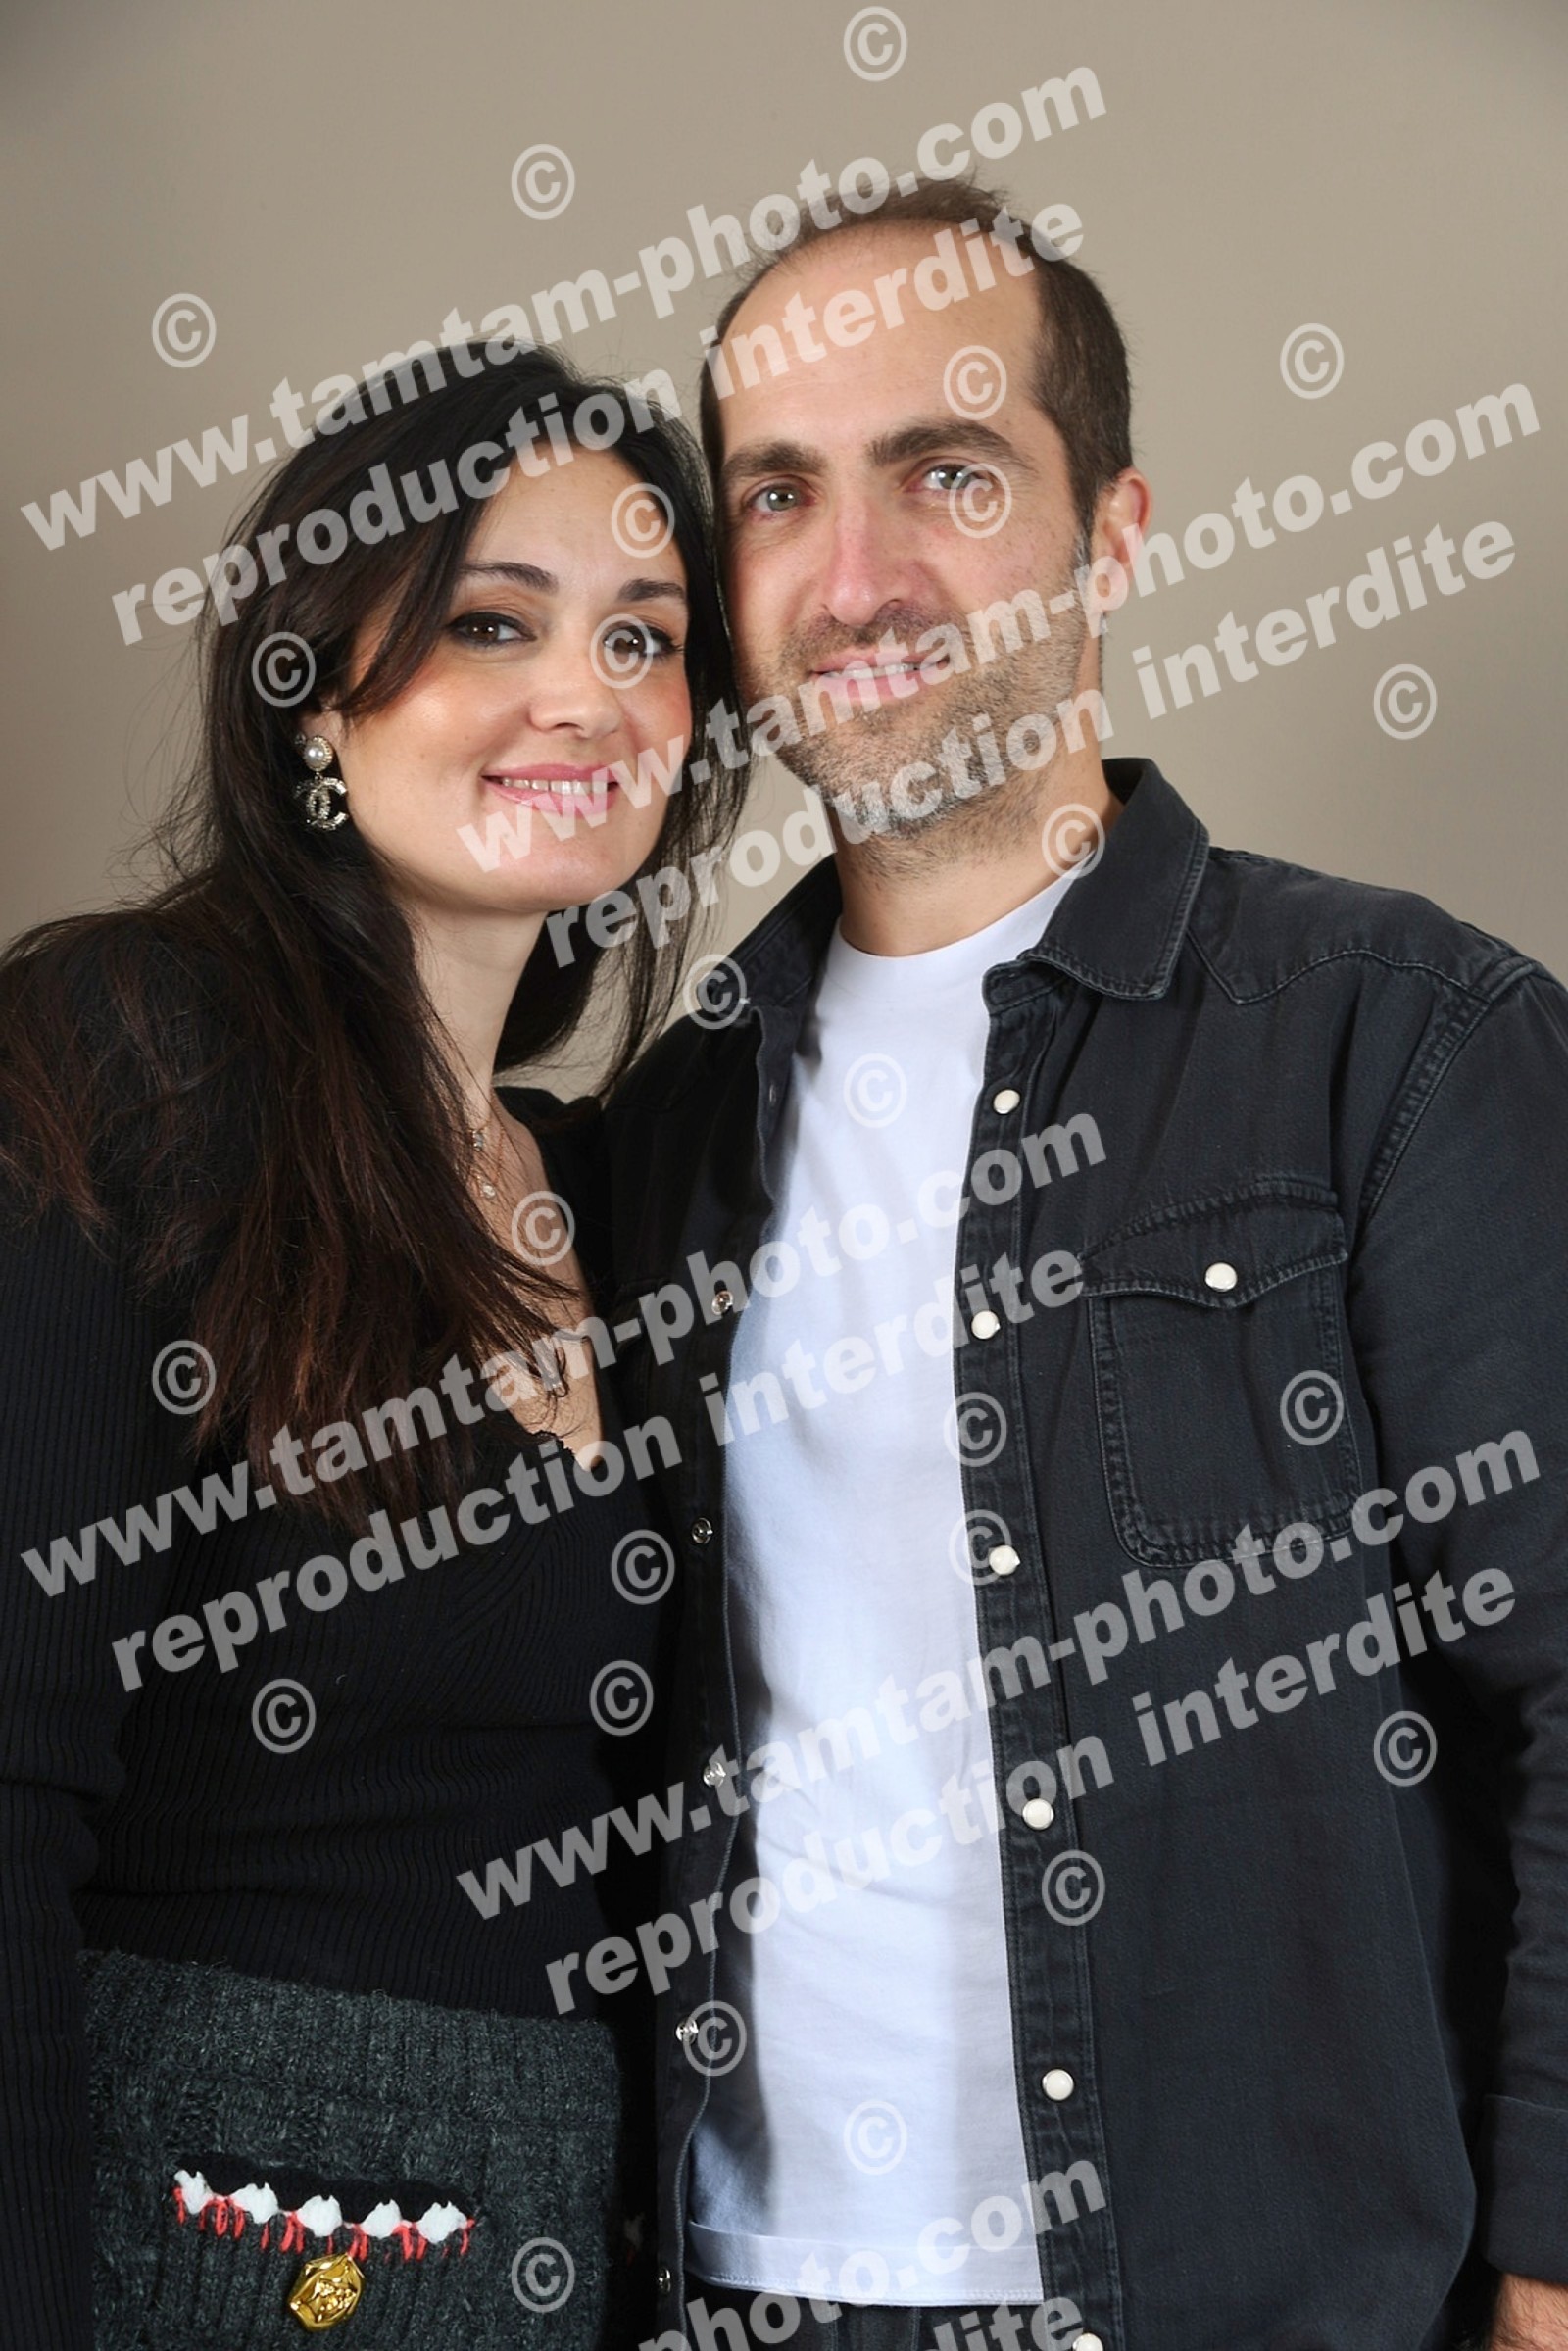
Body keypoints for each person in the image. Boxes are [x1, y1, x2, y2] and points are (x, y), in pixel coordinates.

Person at [601, 176, 1568, 2351]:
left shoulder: (1398, 1039)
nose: (855, 576)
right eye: (778, 495)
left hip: (1253, 2298)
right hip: (737, 2291)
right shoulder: (666, 1136)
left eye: (946, 473)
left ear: (1110, 532)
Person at [0, 339, 739, 2350]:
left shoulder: (617, 1189)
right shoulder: (128, 1061)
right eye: (495, 622)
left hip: (551, 2245)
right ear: (315, 695)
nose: (585, 693)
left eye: (645, 637)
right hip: (197, 2247)